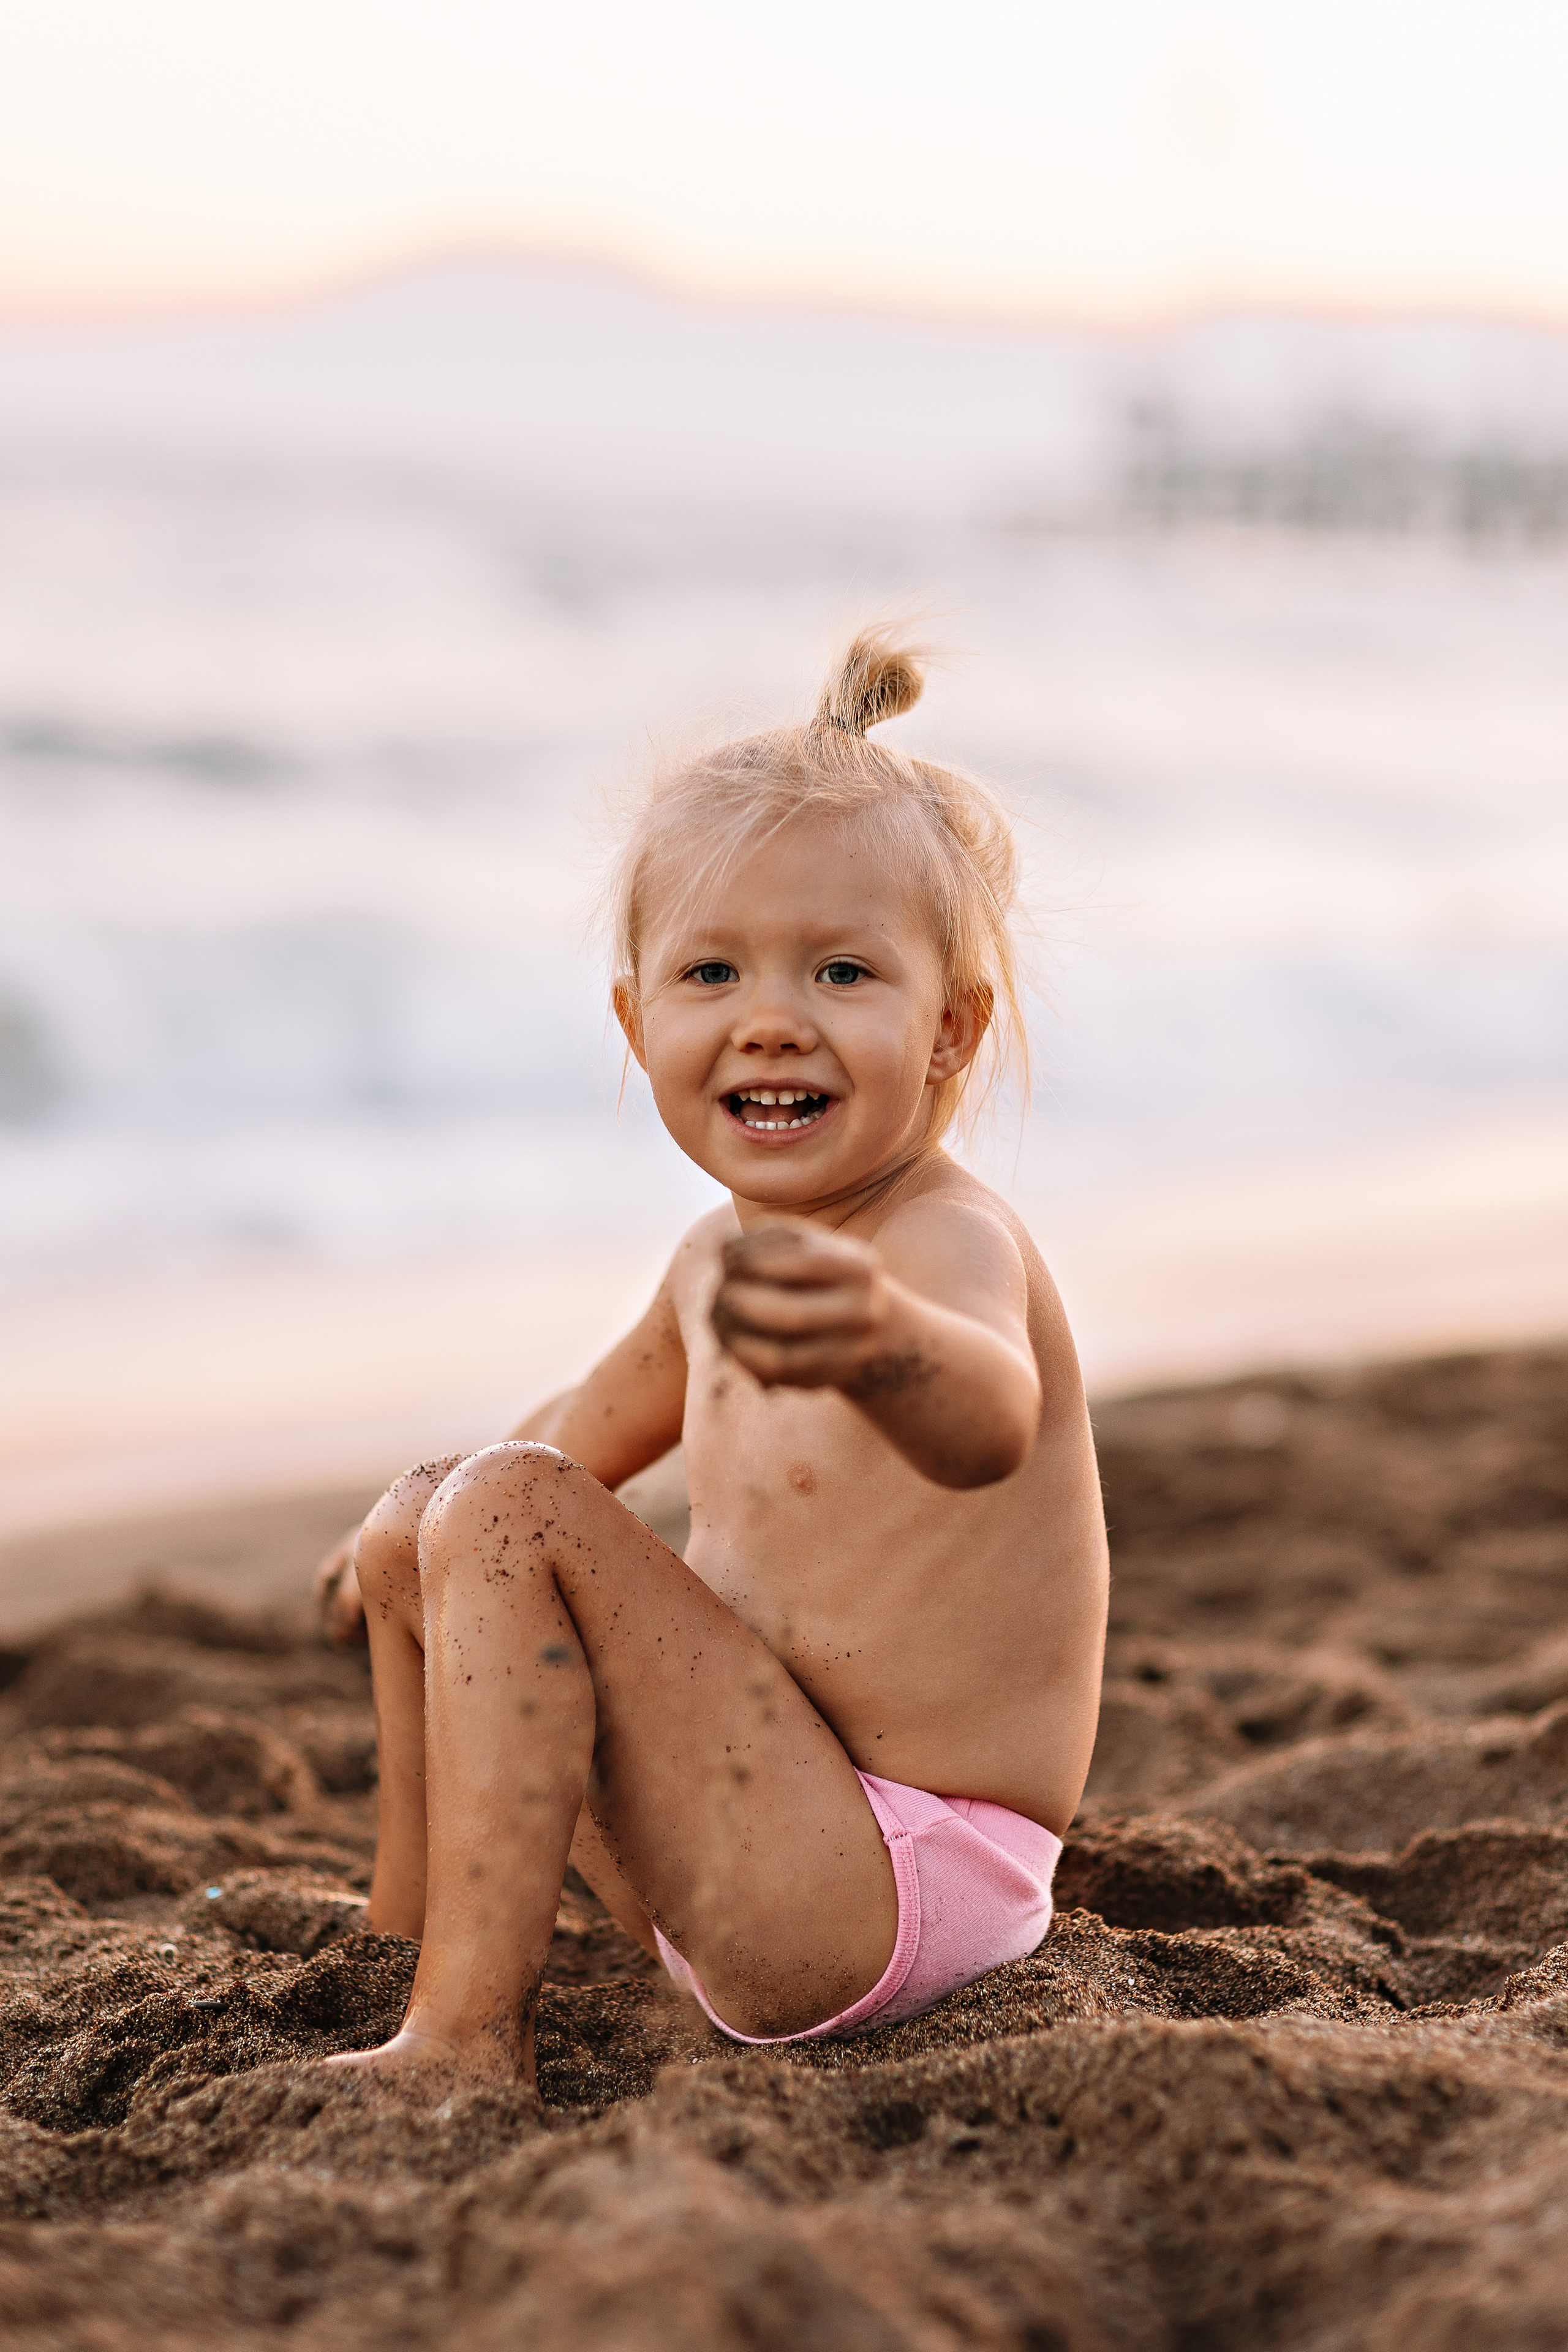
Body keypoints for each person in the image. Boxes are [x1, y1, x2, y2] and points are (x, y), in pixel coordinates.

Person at [316, 627, 1108, 2086]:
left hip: (896, 1877)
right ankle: (407, 1935)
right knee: (432, 1513)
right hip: (762, 1836)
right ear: (637, 1019)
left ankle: (464, 2039)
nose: (769, 1019)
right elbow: (574, 1430)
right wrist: (397, 1534)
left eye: (842, 972)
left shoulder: (936, 1247)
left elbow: (990, 1415)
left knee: (498, 1503)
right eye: (712, 972)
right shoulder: (710, 1263)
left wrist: (883, 1346)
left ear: (948, 1030)